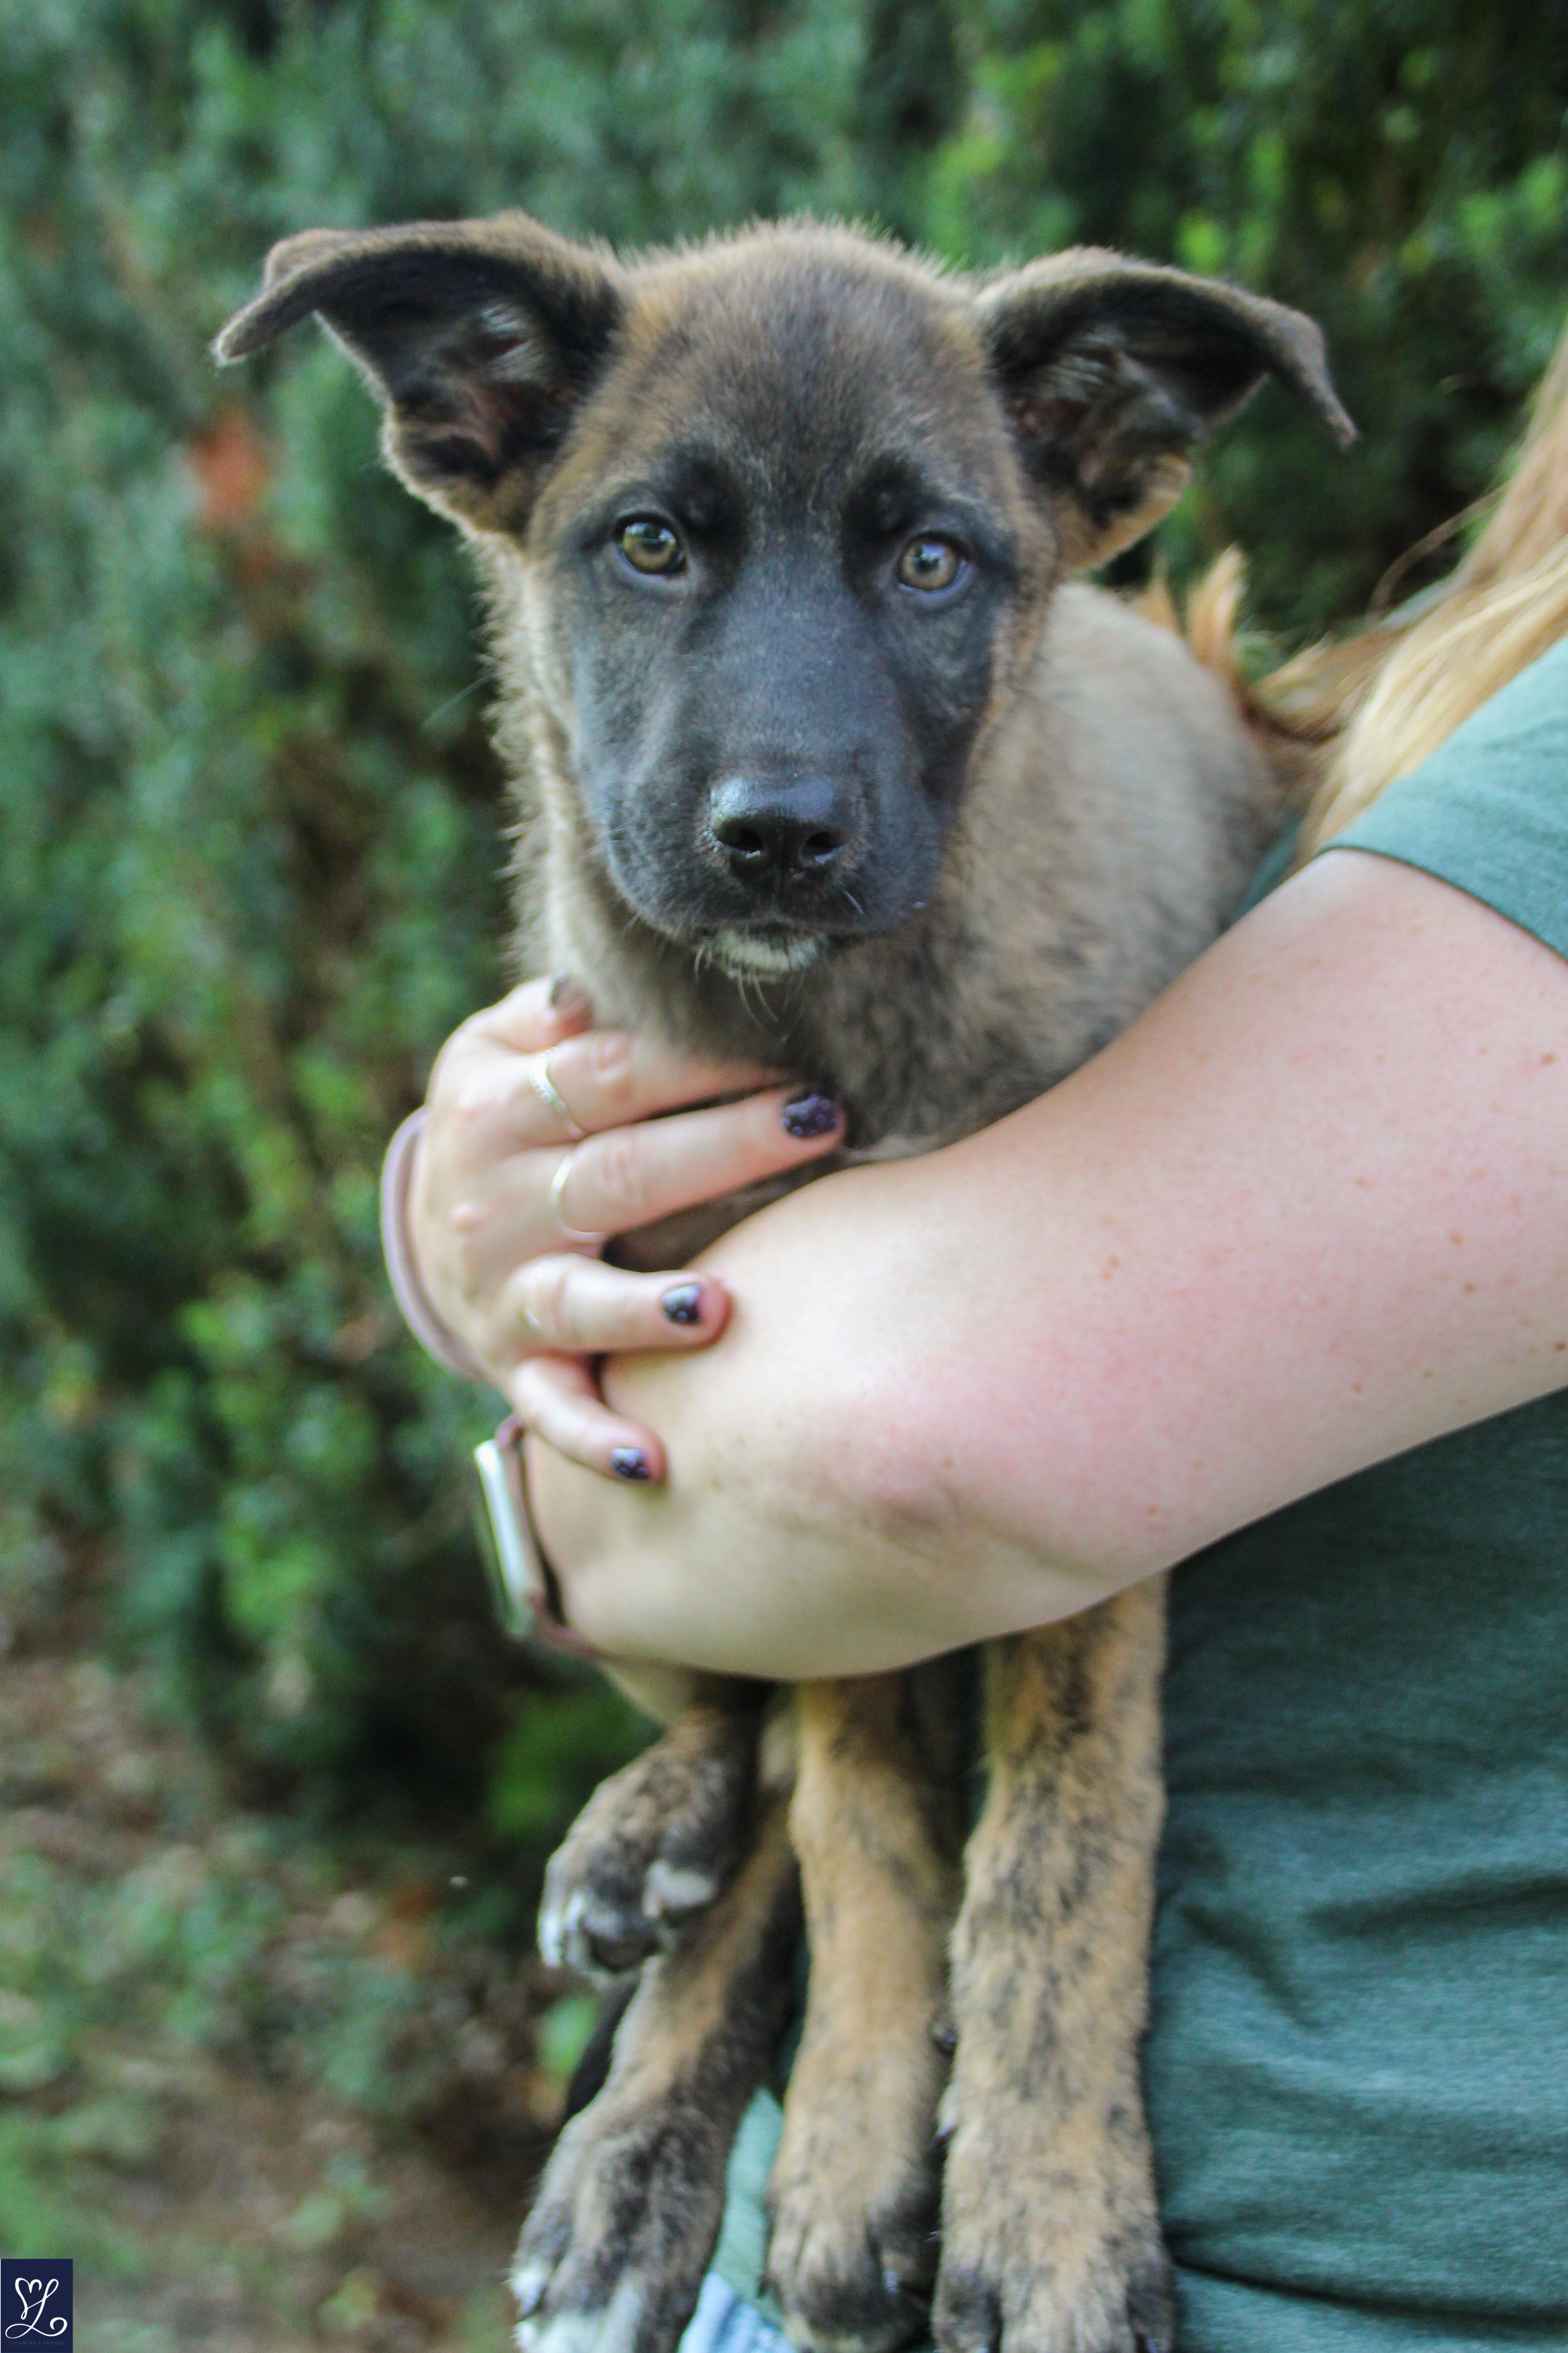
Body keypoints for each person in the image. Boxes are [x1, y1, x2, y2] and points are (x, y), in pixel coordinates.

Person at [381, 333, 1568, 2351]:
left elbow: (925, 1454)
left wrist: (548, 1493)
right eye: (659, 544)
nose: (780, 759)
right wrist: (471, 1231)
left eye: (925, 561)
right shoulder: (1454, 664)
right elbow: (821, 1469)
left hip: (1276, 2252)